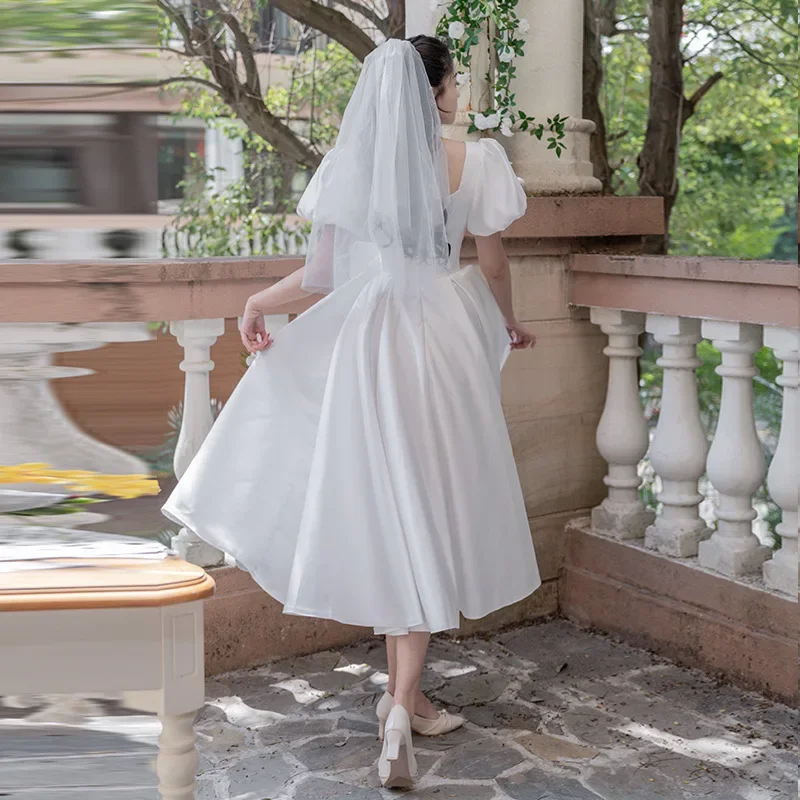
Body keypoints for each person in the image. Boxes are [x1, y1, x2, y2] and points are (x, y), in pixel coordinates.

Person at [162, 35, 541, 788]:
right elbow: (491, 261)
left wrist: (257, 301)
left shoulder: (353, 168)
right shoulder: (477, 161)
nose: (459, 93)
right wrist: (507, 321)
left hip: (371, 347)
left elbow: (323, 276)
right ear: (433, 92)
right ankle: (402, 705)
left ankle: (409, 700)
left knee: (390, 511)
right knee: (429, 512)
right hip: (443, 341)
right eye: (454, 81)